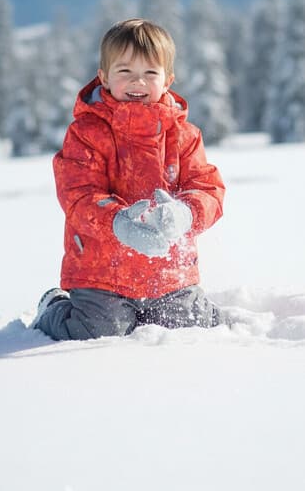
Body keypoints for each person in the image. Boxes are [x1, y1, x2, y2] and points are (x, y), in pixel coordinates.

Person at [32, 18, 225, 340]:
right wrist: (117, 222)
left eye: (150, 72)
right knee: (97, 329)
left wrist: (186, 213)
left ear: (167, 80)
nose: (138, 81)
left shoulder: (184, 137)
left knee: (193, 325)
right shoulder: (86, 134)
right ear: (104, 78)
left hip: (168, 272)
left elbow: (207, 187)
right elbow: (78, 194)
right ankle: (53, 307)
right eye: (125, 72)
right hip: (101, 271)